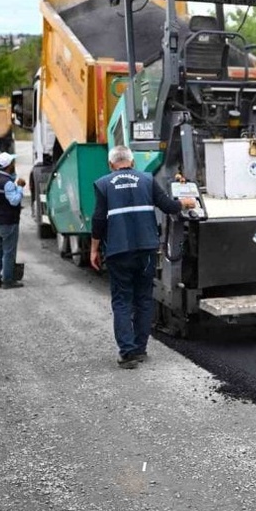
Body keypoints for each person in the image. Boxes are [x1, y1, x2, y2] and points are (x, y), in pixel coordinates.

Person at [89, 146, 196, 369]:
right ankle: (140, 349)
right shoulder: (146, 179)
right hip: (146, 250)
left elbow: (99, 220)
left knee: (122, 301)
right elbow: (168, 206)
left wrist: (94, 249)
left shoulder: (103, 184)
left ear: (111, 165)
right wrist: (185, 203)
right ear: (132, 163)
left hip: (118, 251)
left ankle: (127, 353)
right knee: (144, 299)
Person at [0, 151, 26, 289]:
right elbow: (14, 201)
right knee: (9, 252)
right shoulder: (8, 183)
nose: (14, 164)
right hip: (8, 223)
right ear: (9, 166)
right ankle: (8, 281)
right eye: (13, 163)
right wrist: (20, 187)